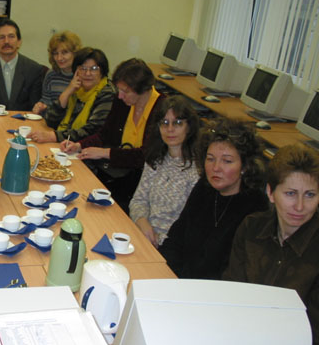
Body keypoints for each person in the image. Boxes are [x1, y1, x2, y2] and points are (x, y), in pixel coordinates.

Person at [223, 144, 319, 345]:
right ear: (270, 193)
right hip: (240, 344)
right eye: (290, 194)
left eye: (310, 195)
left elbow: (314, 338)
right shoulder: (251, 227)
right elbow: (231, 294)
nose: (300, 206)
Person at [159, 117, 269, 279]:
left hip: (215, 288)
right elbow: (176, 238)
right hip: (179, 279)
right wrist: (164, 272)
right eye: (210, 159)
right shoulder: (204, 187)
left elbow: (233, 271)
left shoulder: (256, 208)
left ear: (245, 166)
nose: (216, 168)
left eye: (227, 161)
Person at [61, 58, 166, 210]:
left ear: (143, 90)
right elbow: (105, 134)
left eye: (125, 91)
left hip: (142, 183)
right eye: (119, 90)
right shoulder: (122, 102)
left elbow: (147, 156)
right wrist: (79, 145)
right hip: (120, 176)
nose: (120, 96)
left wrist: (105, 153)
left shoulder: (162, 109)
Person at [129, 96, 200, 247]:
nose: (170, 129)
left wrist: (158, 239)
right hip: (143, 235)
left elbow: (189, 226)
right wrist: (142, 221)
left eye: (178, 123)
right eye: (165, 123)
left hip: (170, 246)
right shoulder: (155, 159)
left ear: (189, 127)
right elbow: (138, 200)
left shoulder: (197, 171)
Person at [30, 47, 113, 143]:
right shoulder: (77, 90)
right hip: (69, 145)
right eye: (83, 68)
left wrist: (54, 136)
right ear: (76, 71)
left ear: (102, 72)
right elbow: (51, 120)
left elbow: (92, 131)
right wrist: (67, 92)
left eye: (94, 69)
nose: (87, 73)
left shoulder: (107, 93)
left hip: (91, 148)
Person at [0, 19, 44, 111]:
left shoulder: (33, 69)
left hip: (23, 119)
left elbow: (34, 108)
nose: (6, 41)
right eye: (1, 37)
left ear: (19, 42)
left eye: (11, 36)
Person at [32, 31, 82, 116]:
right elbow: (46, 102)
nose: (59, 58)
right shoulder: (51, 75)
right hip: (53, 120)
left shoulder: (84, 76)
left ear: (75, 53)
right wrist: (41, 106)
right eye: (55, 53)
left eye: (64, 52)